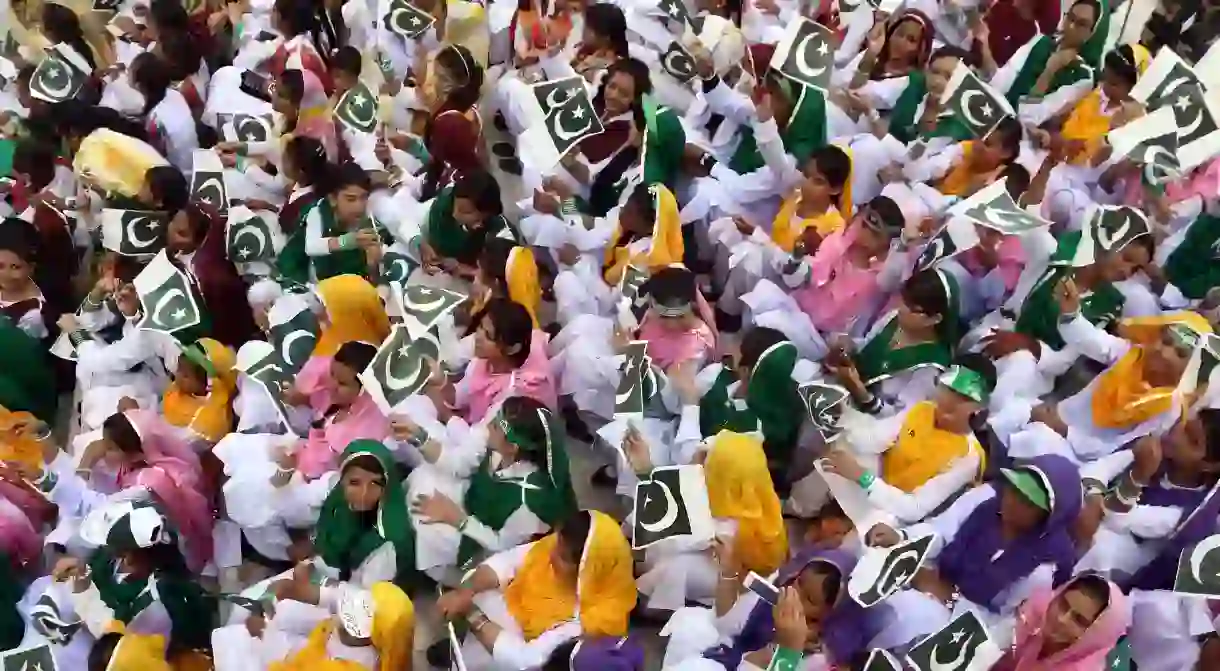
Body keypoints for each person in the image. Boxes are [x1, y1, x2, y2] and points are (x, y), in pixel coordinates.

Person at [434, 510, 637, 669]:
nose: (551, 556)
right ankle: (467, 651)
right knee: (483, 591)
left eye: (563, 558)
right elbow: (507, 561)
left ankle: (475, 656)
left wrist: (472, 615)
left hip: (532, 660)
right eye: (556, 545)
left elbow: (526, 660)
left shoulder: (592, 622)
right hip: (514, 621)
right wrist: (466, 592)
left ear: (590, 571)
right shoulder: (556, 548)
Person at [994, 574, 1130, 670]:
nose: (1061, 618)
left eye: (1079, 620)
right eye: (1063, 604)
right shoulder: (1035, 616)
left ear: (1096, 638)